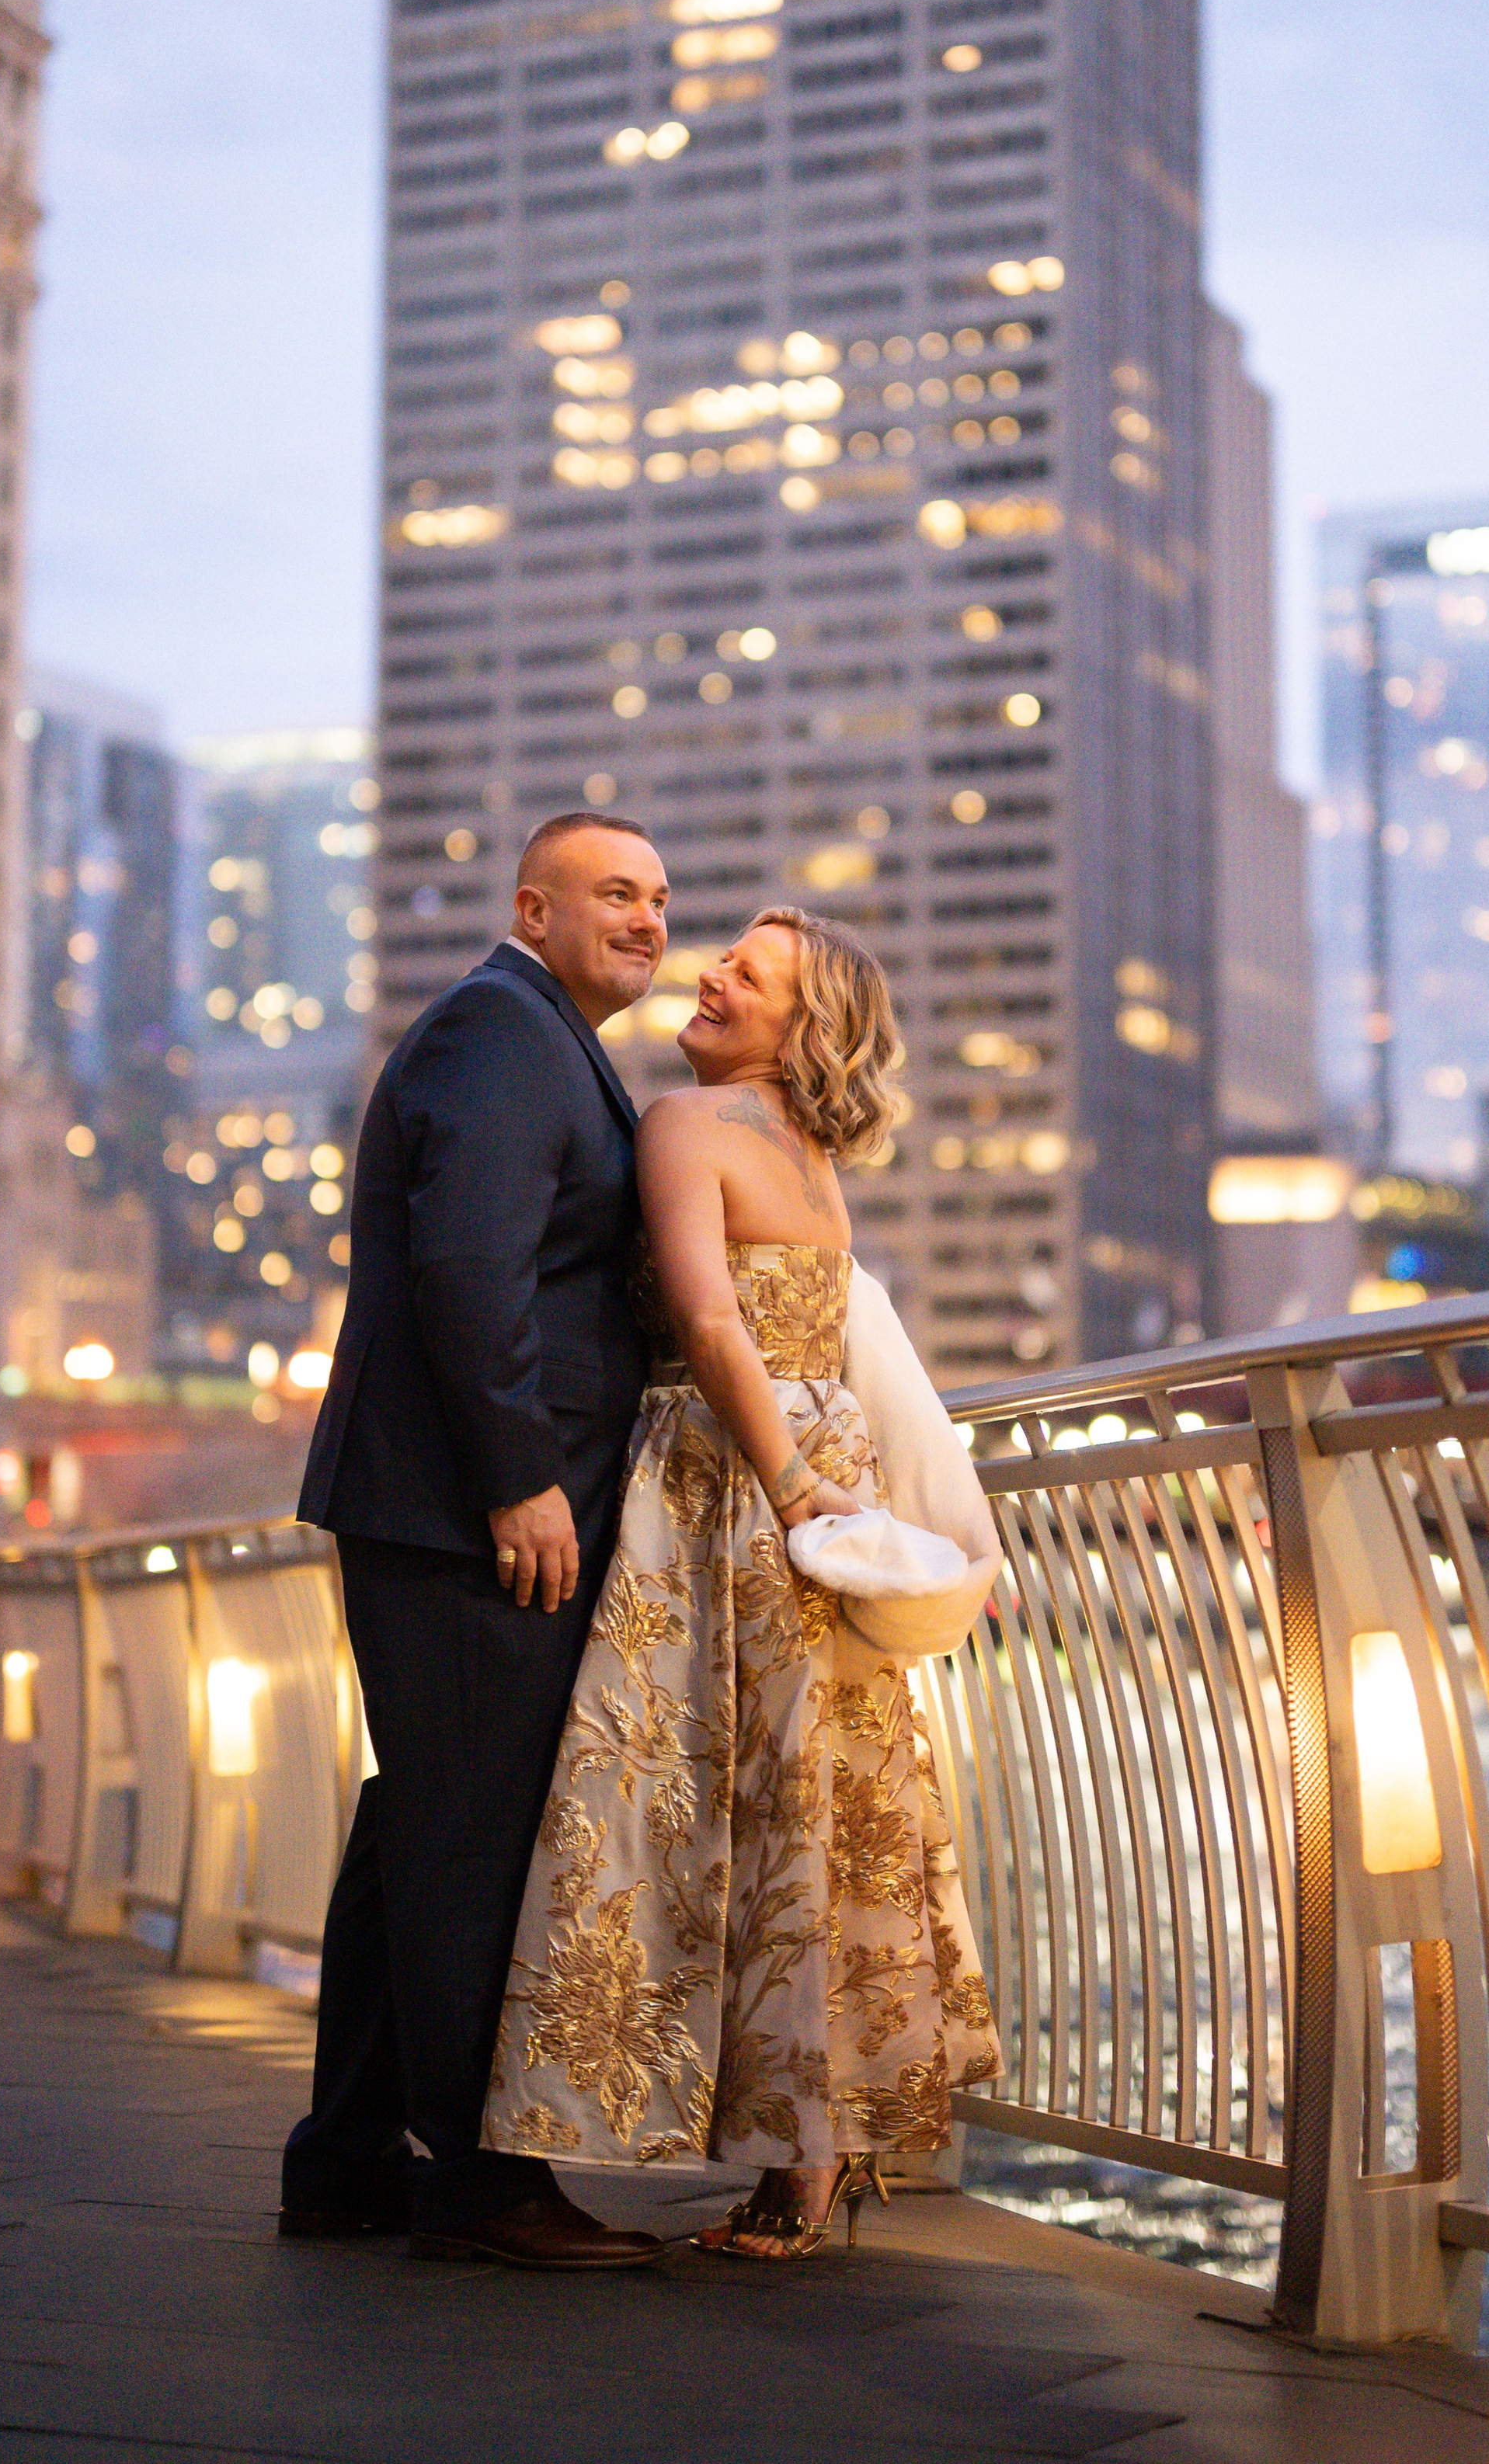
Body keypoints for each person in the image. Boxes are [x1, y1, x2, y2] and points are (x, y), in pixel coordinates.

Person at [484, 908, 1000, 2255]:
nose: (711, 974)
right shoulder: (815, 1159)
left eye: (749, 975)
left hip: (728, 1481)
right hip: (832, 1485)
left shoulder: (685, 1124)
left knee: (673, 1799)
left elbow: (711, 1318)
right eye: (724, 958)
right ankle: (812, 2158)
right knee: (817, 1811)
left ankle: (667, 2121)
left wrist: (776, 1485)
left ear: (800, 1024)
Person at [280, 811, 677, 2270]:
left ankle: (343, 2162)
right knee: (468, 1835)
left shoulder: (532, 1031)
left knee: (417, 1828)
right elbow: (467, 1268)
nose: (645, 919)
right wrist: (521, 1479)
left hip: (450, 1510)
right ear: (534, 905)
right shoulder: (503, 1034)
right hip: (465, 1517)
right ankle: (477, 2178)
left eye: (656, 899)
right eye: (613, 894)